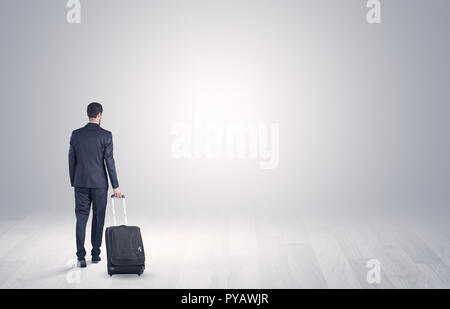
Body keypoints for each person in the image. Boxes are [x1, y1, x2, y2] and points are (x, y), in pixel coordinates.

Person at [68, 102, 122, 267]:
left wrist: (74, 180)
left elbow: (71, 160)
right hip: (99, 184)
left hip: (81, 183)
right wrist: (116, 186)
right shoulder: (106, 135)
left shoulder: (76, 134)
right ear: (100, 115)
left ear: (88, 114)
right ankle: (96, 255)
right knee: (98, 218)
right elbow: (109, 162)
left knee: (81, 218)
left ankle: (80, 257)